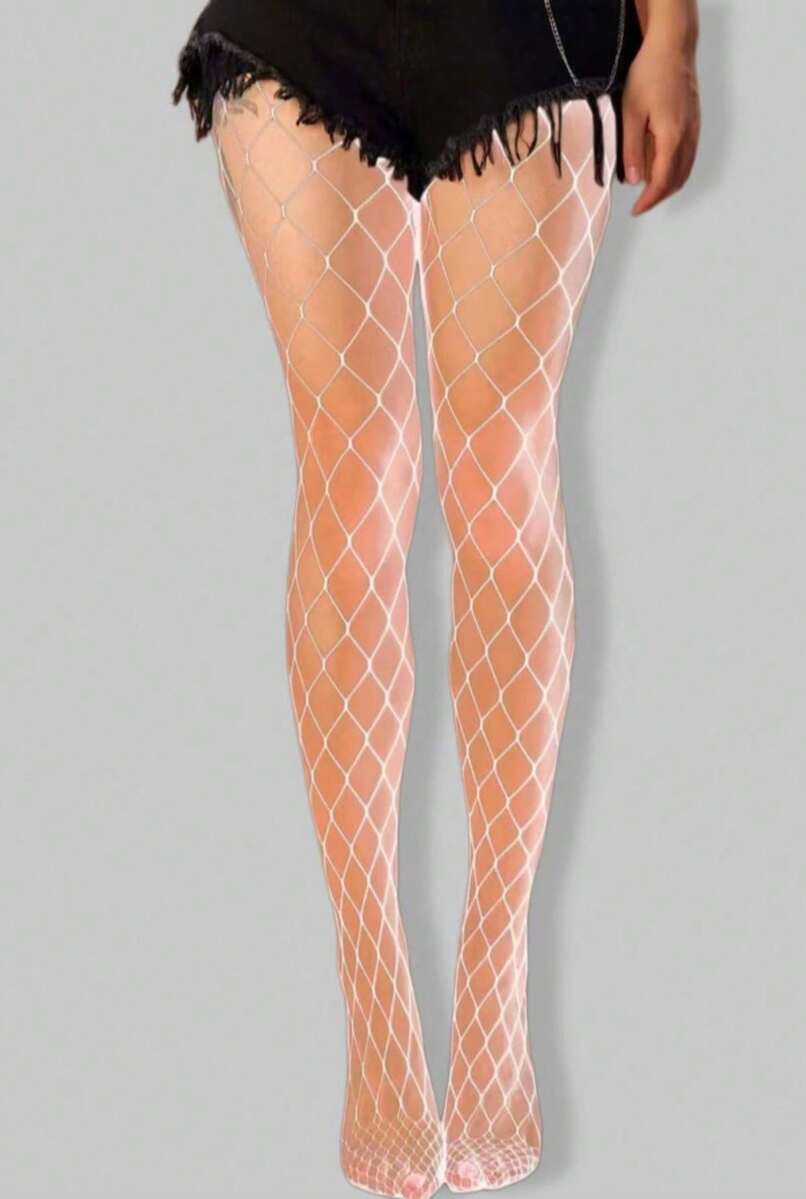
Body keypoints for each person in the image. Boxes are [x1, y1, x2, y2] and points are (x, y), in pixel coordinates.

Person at [172, 2, 700, 1195]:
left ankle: (496, 969)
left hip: (529, 27)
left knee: (503, 466)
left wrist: (671, 40)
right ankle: (372, 980)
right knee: (350, 467)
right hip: (299, 26)